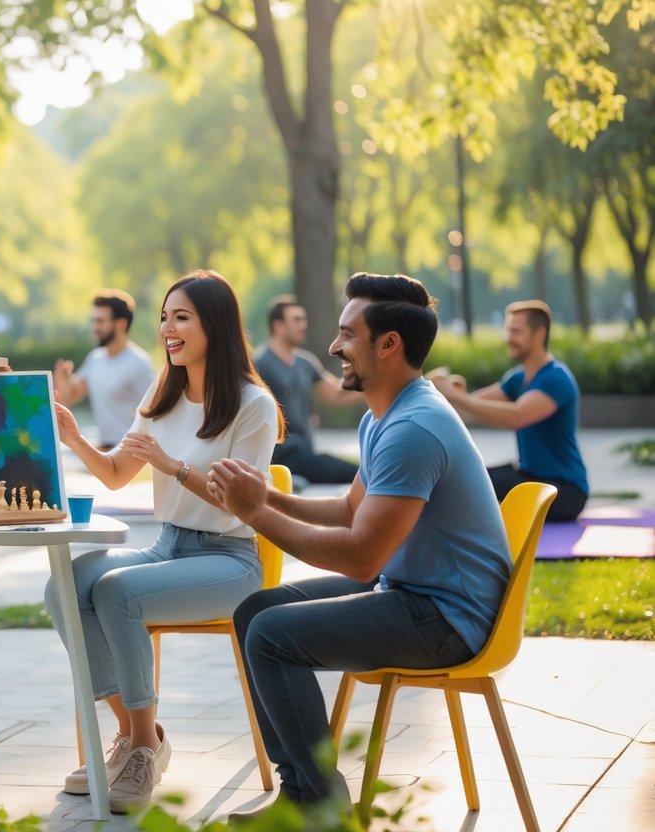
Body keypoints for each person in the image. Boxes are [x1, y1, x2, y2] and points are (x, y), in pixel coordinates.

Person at [208, 273, 512, 816]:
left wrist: (254, 513)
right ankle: (299, 792)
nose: (333, 347)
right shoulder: (386, 415)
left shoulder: (414, 427)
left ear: (388, 344)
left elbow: (361, 555)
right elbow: (351, 512)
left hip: (446, 618)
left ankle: (321, 809)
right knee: (255, 610)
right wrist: (266, 500)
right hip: (413, 591)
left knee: (272, 636)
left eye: (347, 334)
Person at [46, 269, 284, 813]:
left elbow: (239, 502)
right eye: (164, 317)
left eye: (181, 317)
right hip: (168, 546)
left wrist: (174, 467)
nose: (167, 329)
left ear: (215, 325)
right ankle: (139, 738)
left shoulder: (254, 405)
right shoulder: (164, 388)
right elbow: (113, 473)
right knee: (66, 583)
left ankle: (139, 752)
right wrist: (74, 436)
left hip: (230, 561)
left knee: (117, 592)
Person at [428, 299, 588, 522]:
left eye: (516, 331)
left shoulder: (556, 378)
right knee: (470, 478)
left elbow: (516, 417)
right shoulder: (518, 378)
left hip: (565, 491)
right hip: (530, 477)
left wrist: (456, 396)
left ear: (539, 334)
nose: (508, 338)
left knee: (476, 489)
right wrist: (445, 391)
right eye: (507, 330)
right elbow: (470, 408)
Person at [253, 296, 362, 485]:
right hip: (280, 455)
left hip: (304, 453)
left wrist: (379, 385)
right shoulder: (260, 363)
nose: (303, 325)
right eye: (296, 320)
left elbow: (335, 393)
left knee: (359, 474)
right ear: (278, 326)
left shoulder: (306, 362)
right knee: (356, 475)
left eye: (303, 319)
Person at [53, 289, 158, 451]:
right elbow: (71, 397)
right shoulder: (95, 358)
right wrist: (63, 379)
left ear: (121, 324)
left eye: (100, 321)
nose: (95, 327)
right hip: (104, 450)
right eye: (93, 321)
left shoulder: (139, 363)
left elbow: (155, 417)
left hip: (130, 455)